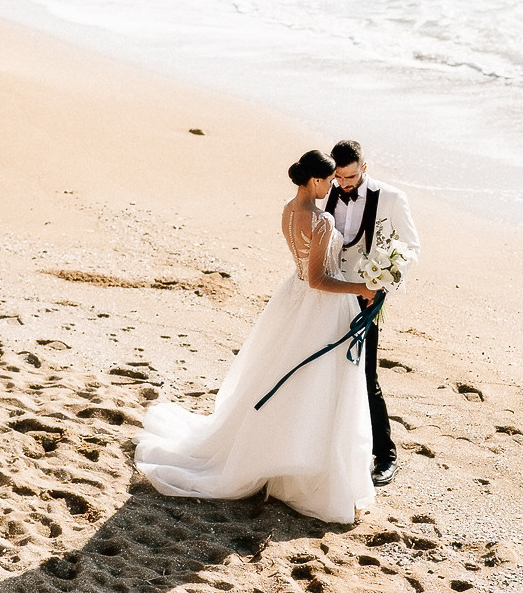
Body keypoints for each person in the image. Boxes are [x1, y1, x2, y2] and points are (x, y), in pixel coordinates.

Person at [135, 150, 378, 525]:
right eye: (329, 181)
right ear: (315, 181)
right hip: (320, 308)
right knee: (315, 385)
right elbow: (318, 279)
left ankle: (279, 456)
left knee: (283, 378)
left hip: (292, 300)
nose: (331, 187)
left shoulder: (288, 209)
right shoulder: (321, 221)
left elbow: (303, 271)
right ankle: (299, 469)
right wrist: (361, 287)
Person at [325, 140, 420, 487]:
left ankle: (386, 455)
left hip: (367, 300)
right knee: (328, 371)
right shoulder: (329, 193)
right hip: (331, 292)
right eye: (339, 177)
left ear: (365, 168)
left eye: (350, 176)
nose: (344, 183)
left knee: (366, 375)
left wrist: (384, 286)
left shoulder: (392, 198)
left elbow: (411, 247)